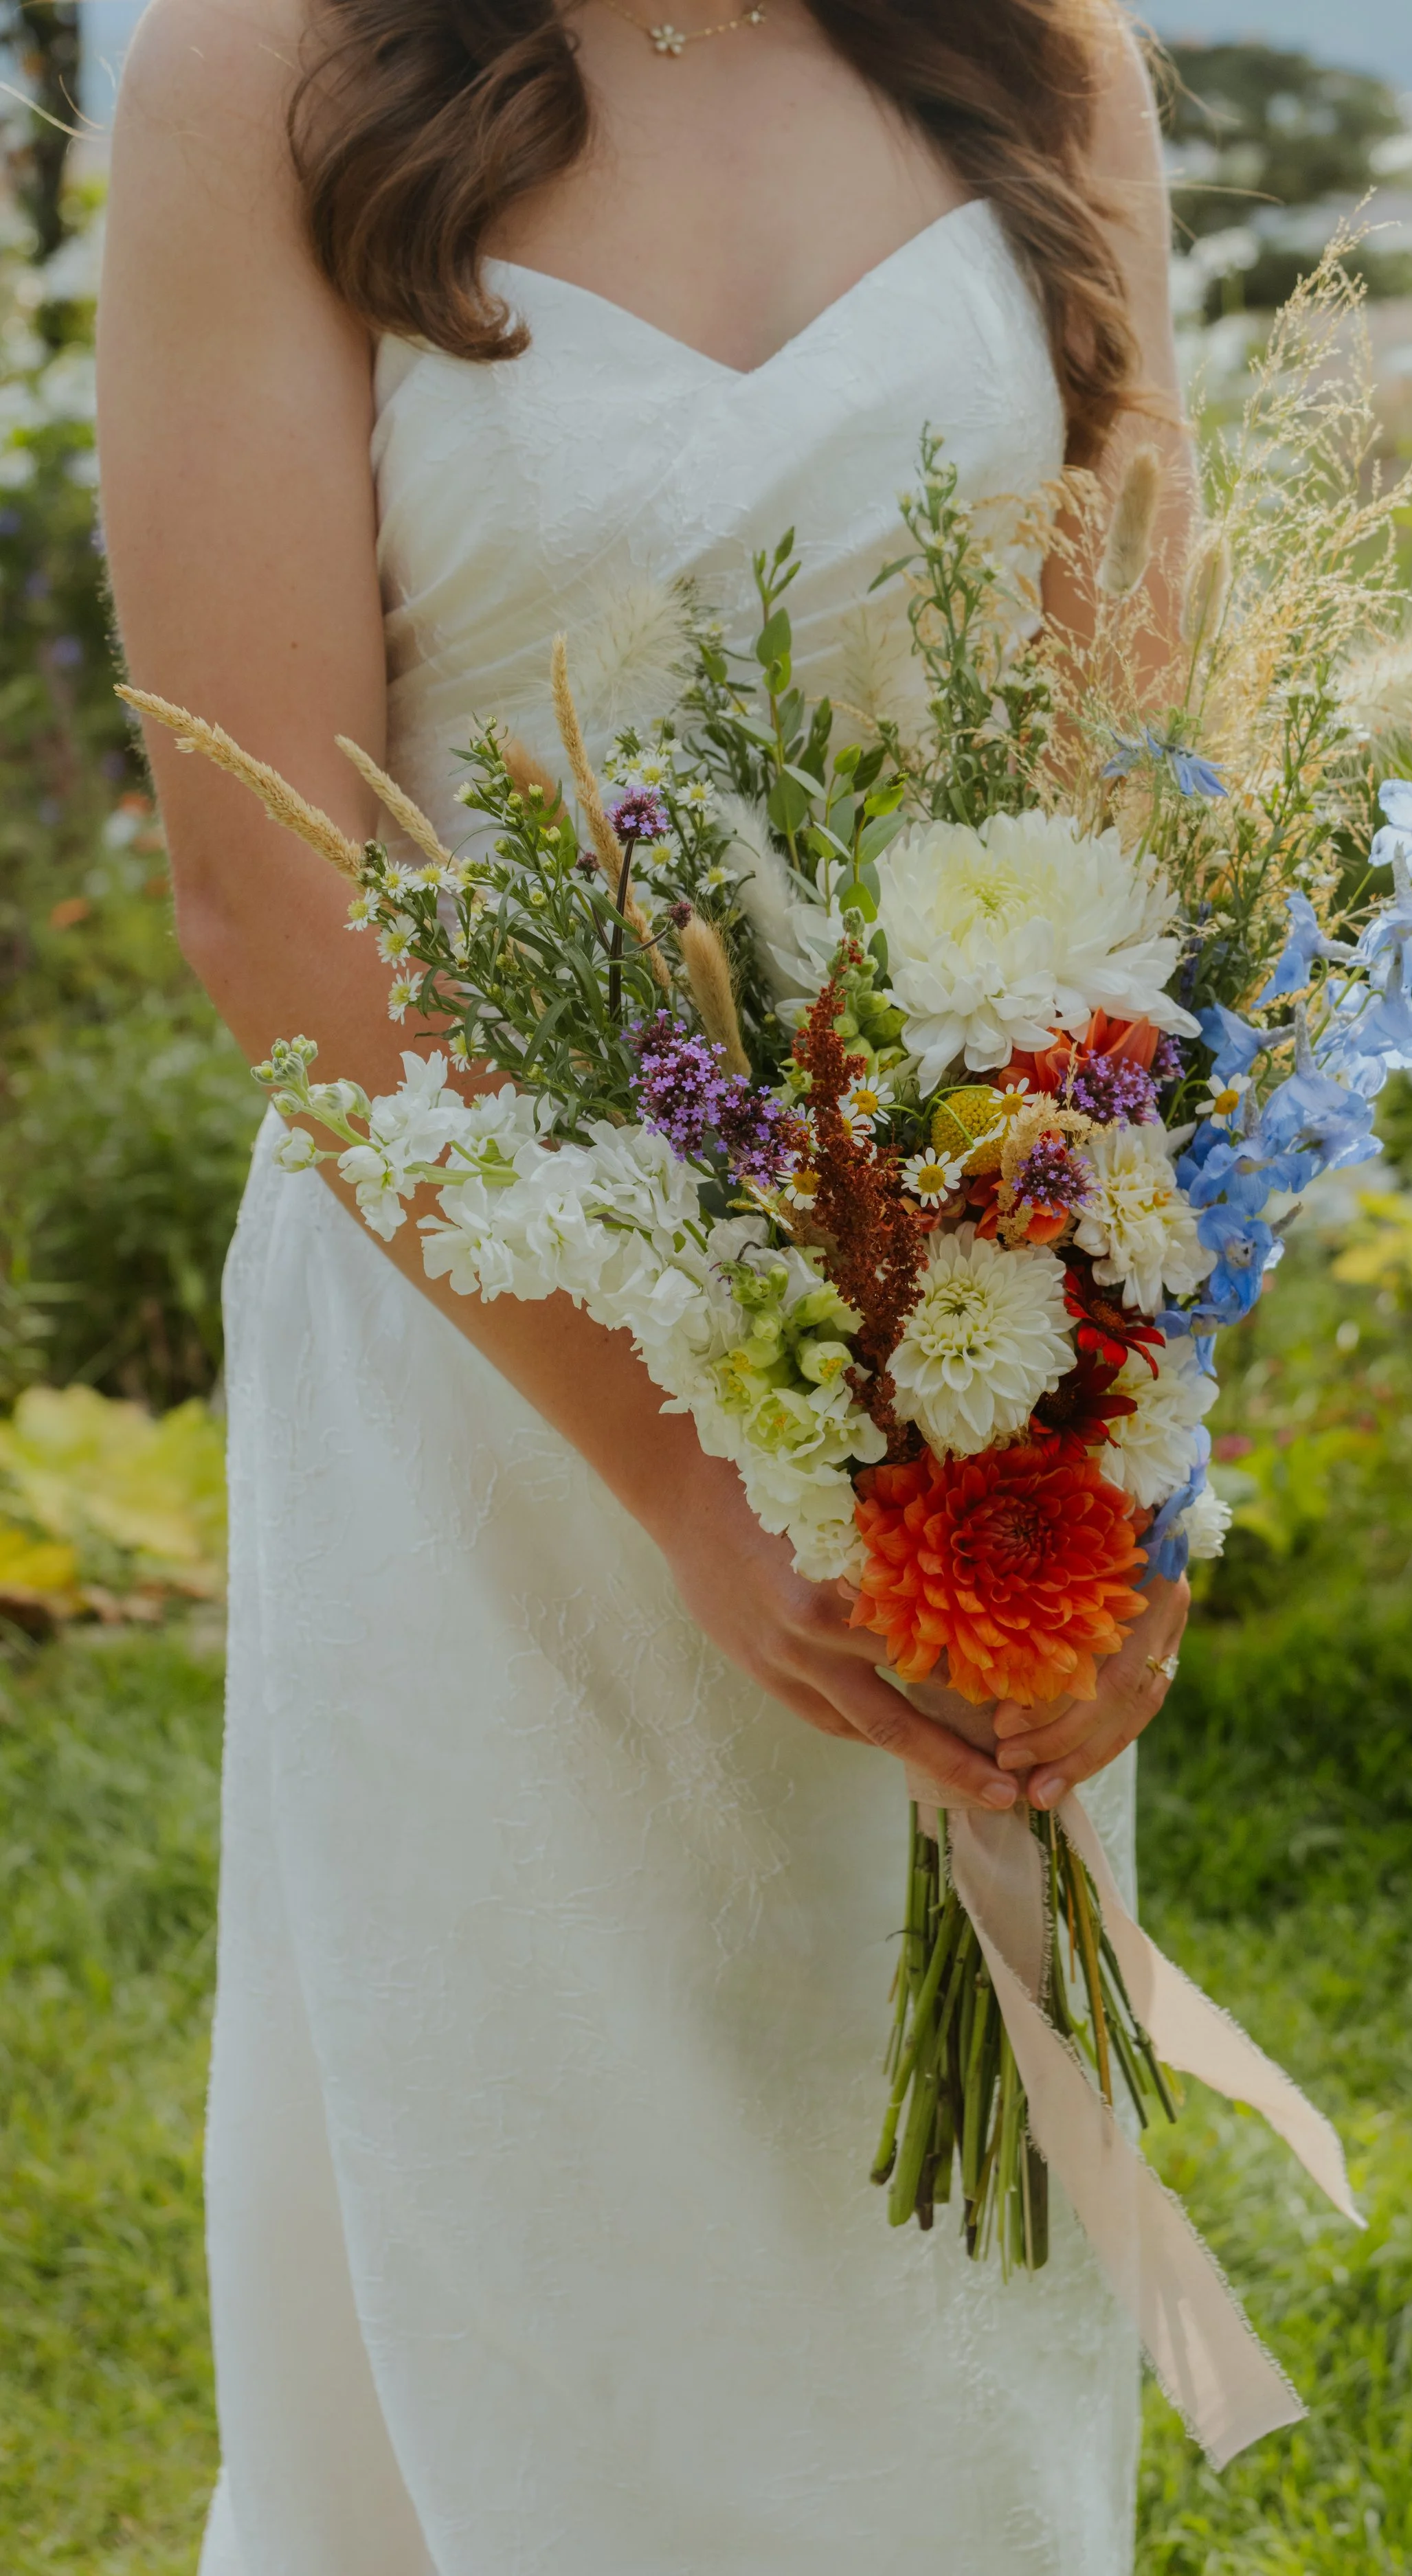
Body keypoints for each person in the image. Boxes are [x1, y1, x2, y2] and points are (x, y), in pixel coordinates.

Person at [100, 2, 1193, 2564]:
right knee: (547, 2275)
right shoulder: (254, 65)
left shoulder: (1045, 51)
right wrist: (696, 1476)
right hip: (486, 1345)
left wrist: (1113, 1449)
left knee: (930, 2312)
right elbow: (264, 869)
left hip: (972, 1327)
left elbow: (1137, 778)